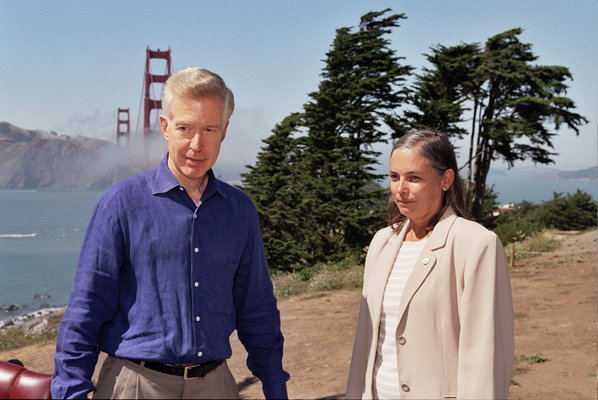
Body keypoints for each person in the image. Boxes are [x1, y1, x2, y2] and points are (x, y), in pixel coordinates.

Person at [51, 67, 290, 399]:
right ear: (164, 127)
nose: (197, 144)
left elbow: (257, 307)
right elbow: (87, 308)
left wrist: (275, 386)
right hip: (135, 384)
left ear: (224, 131)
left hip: (216, 385)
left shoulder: (240, 211)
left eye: (209, 128)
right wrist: (70, 391)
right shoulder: (120, 204)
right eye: (185, 128)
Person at [345, 130, 514, 399]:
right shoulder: (381, 243)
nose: (400, 189)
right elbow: (366, 341)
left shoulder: (476, 244)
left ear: (446, 179)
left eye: (414, 178)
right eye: (394, 177)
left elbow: (485, 355)